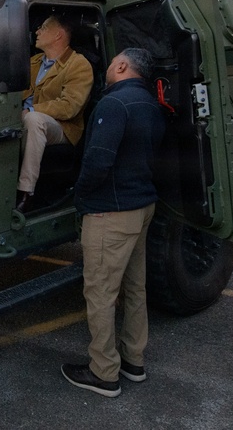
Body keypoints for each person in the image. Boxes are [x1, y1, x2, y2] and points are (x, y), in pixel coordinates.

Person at [60, 48, 165, 398]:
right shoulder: (150, 103)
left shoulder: (113, 104)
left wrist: (80, 196)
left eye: (111, 62)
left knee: (101, 293)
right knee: (135, 288)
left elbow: (98, 162)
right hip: (142, 205)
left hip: (111, 211)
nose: (106, 67)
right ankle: (133, 360)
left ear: (122, 66)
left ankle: (104, 372)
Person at [15, 12, 93, 212]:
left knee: (34, 120)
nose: (37, 31)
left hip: (63, 128)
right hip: (25, 119)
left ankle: (26, 191)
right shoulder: (34, 61)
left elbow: (70, 106)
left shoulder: (78, 64)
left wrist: (31, 109)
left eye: (43, 28)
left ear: (58, 35)